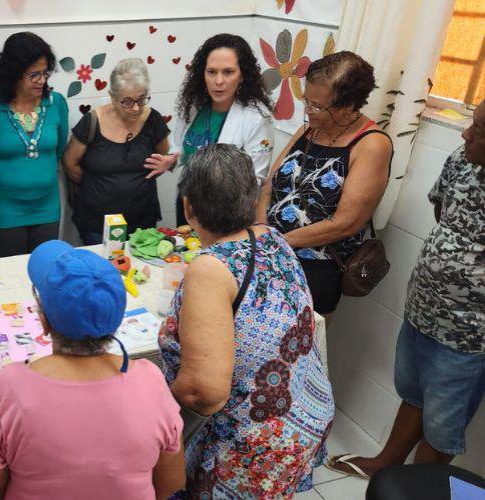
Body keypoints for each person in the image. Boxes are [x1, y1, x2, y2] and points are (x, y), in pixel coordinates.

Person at [160, 144, 334, 498]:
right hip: (302, 415)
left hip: (256, 443)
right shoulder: (271, 237)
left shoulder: (211, 268)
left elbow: (203, 393)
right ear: (250, 197)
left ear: (188, 207)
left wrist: (149, 406)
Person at [326, 101, 484, 481]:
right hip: (425, 307)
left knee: (443, 421)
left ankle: (417, 489)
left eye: (478, 130)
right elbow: (441, 208)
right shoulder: (465, 158)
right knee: (413, 391)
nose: (465, 134)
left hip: (470, 334)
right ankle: (386, 465)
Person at [0, 239, 185, 499]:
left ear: (44, 322)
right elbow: (170, 484)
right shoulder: (150, 379)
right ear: (116, 319)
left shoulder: (12, 386)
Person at [258, 51, 393, 317]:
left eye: (317, 106)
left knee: (297, 350)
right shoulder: (309, 129)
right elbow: (269, 185)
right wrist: (262, 230)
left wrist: (279, 242)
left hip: (314, 269)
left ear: (349, 104)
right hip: (271, 253)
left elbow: (346, 223)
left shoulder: (371, 145)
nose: (308, 112)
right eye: (306, 101)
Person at [63, 58, 175, 245]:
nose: (136, 108)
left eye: (141, 99)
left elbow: (166, 156)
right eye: (127, 102)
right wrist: (98, 185)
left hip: (142, 221)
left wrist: (168, 163)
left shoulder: (153, 120)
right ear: (113, 97)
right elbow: (69, 163)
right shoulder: (92, 122)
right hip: (97, 223)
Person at [0, 32, 69, 257]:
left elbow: (58, 152)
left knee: (46, 270)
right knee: (13, 277)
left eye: (45, 73)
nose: (42, 80)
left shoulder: (56, 104)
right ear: (13, 72)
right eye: (33, 74)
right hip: (5, 210)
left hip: (47, 207)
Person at [172, 33, 275, 227]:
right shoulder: (194, 105)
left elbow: (255, 177)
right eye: (211, 72)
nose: (218, 81)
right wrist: (171, 158)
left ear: (242, 75)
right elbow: (179, 145)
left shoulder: (257, 117)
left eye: (228, 72)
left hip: (226, 211)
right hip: (188, 198)